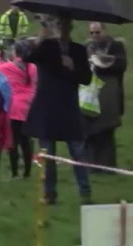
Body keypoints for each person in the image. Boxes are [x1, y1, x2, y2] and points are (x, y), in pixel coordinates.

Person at [23, 15, 92, 205]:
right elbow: (27, 57)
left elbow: (87, 78)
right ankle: (50, 195)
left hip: (69, 107)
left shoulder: (79, 50)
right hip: (47, 108)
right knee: (48, 154)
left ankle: (85, 193)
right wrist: (40, 37)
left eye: (64, 25)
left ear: (71, 26)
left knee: (78, 152)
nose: (61, 28)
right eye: (57, 25)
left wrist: (72, 67)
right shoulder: (46, 47)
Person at [0, 40, 37, 179]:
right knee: (26, 141)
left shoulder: (9, 67)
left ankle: (15, 172)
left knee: (13, 142)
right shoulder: (32, 67)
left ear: (16, 52)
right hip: (29, 107)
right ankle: (27, 172)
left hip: (14, 108)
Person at [84, 22, 127, 172]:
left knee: (106, 132)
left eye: (97, 32)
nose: (95, 35)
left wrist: (105, 59)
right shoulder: (88, 47)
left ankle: (107, 167)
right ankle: (91, 166)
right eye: (92, 33)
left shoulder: (116, 46)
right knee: (90, 132)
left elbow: (121, 65)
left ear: (105, 31)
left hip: (109, 94)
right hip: (90, 96)